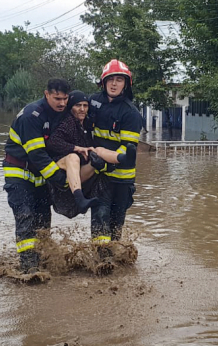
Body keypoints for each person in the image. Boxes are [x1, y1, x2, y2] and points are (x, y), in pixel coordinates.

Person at [3, 78, 70, 274]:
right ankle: (29, 267)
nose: (62, 103)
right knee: (25, 215)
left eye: (65, 99)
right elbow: (38, 155)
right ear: (46, 94)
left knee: (43, 219)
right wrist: (60, 180)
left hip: (40, 175)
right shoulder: (31, 116)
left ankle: (43, 259)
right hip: (19, 172)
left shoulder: (61, 114)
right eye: (57, 98)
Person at [46, 90, 136, 214]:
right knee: (73, 157)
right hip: (62, 170)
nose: (82, 109)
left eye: (85, 106)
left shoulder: (87, 125)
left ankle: (123, 158)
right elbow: (52, 142)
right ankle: (80, 199)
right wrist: (76, 148)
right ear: (70, 107)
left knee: (98, 150)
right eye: (78, 105)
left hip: (79, 172)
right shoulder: (67, 123)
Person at [88, 59, 142, 258]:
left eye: (119, 80)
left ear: (126, 84)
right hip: (99, 176)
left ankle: (114, 259)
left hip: (122, 180)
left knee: (115, 226)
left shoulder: (131, 113)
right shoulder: (93, 102)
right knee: (99, 219)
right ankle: (101, 262)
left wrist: (106, 157)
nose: (114, 84)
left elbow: (127, 151)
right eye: (110, 79)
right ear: (103, 82)